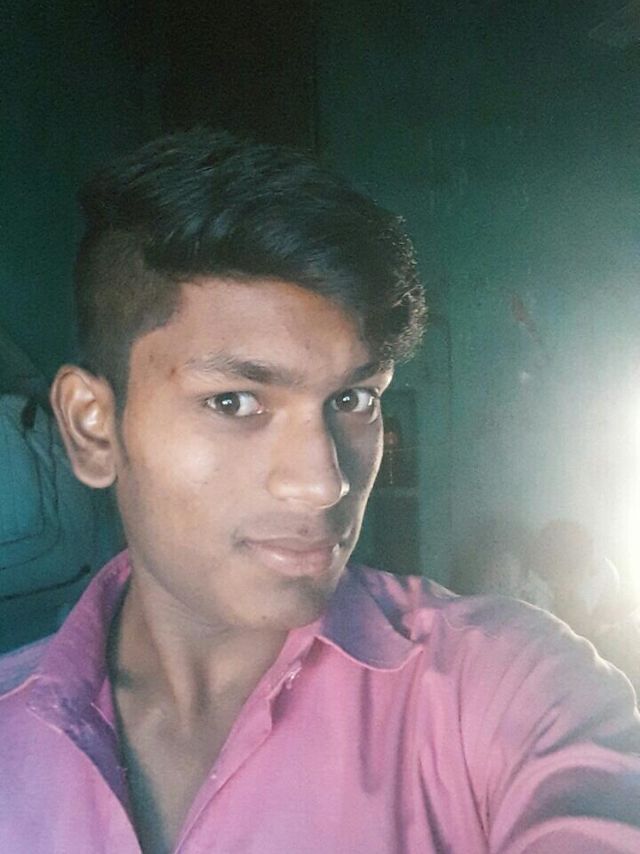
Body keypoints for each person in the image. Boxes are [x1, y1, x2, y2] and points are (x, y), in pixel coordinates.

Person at [1, 130, 639, 854]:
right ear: (92, 429)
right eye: (234, 402)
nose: (323, 482)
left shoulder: (505, 687)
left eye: (354, 399)